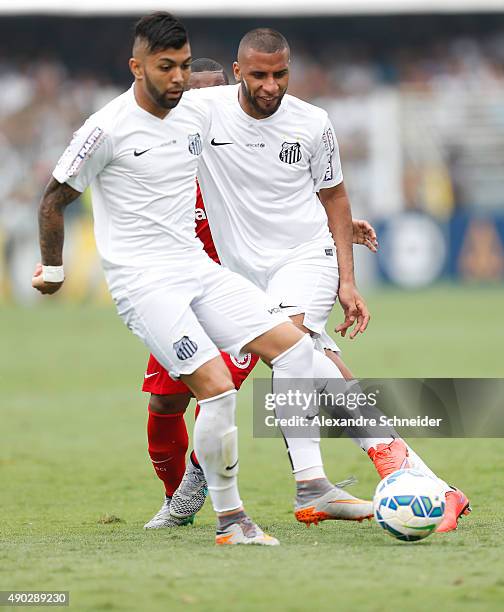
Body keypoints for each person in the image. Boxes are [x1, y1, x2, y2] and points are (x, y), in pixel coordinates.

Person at [32, 12, 374, 547]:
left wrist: (333, 222)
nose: (177, 78)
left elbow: (252, 167)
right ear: (136, 66)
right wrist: (53, 271)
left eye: (185, 67)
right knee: (210, 393)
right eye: (166, 67)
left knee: (297, 348)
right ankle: (229, 518)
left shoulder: (194, 116)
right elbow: (54, 199)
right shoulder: (106, 127)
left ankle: (313, 487)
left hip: (199, 269)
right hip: (145, 284)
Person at [174, 29, 470, 533]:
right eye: (260, 75)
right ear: (238, 70)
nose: (271, 85)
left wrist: (347, 281)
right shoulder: (205, 110)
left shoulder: (313, 122)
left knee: (291, 347)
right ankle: (422, 479)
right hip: (242, 273)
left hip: (307, 255)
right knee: (315, 360)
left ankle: (312, 483)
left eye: (281, 74)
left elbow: (334, 195)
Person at [142, 58, 380, 530]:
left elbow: (282, 197)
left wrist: (334, 228)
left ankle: (388, 461)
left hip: (251, 293)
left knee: (300, 362)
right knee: (165, 403)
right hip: (185, 300)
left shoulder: (242, 145)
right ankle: (180, 496)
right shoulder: (169, 171)